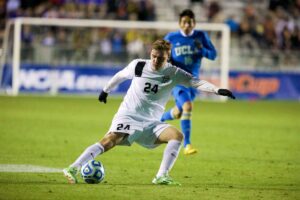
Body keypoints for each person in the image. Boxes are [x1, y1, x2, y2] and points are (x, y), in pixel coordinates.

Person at [63, 39, 235, 185]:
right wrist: (105, 90)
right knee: (109, 141)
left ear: (168, 57)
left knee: (177, 135)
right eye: (153, 56)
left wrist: (218, 90)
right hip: (129, 115)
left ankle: (161, 176)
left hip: (152, 122)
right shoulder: (138, 65)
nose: (155, 60)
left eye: (160, 58)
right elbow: (120, 75)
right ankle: (73, 168)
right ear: (150, 53)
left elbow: (196, 82)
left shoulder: (174, 73)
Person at [161, 9, 218, 155]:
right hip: (178, 80)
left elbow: (213, 55)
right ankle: (187, 145)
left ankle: (158, 119)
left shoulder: (201, 36)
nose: (187, 25)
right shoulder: (171, 37)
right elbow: (162, 54)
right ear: (180, 23)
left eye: (190, 22)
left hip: (194, 82)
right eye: (184, 22)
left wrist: (202, 50)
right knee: (188, 106)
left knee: (179, 112)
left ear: (194, 23)